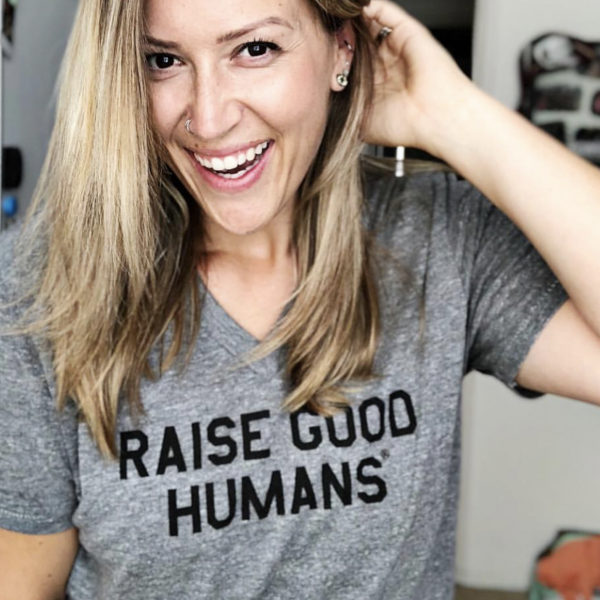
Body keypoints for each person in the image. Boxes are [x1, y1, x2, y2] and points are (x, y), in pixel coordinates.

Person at [0, 0, 598, 598]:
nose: (208, 118)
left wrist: (451, 115)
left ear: (343, 49)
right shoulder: (39, 292)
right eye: (164, 61)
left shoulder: (436, 236)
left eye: (254, 50)